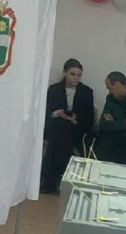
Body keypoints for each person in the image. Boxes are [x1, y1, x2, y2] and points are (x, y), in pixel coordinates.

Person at [40, 58, 94, 192]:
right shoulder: (54, 89)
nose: (76, 78)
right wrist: (57, 113)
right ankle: (60, 172)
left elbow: (89, 118)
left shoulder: (86, 92)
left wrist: (75, 120)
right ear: (65, 73)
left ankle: (49, 177)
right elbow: (45, 112)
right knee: (62, 127)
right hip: (56, 127)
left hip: (76, 129)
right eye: (72, 74)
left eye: (79, 75)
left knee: (63, 131)